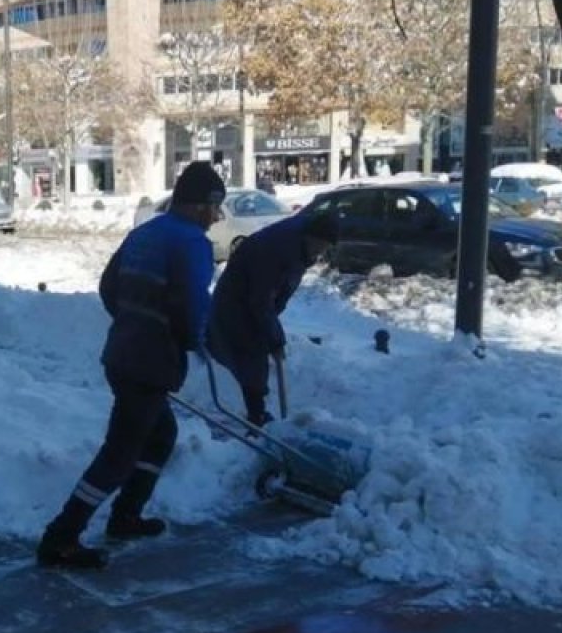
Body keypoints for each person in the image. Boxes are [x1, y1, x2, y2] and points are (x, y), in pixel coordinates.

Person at [37, 162, 226, 570]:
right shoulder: (192, 242)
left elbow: (109, 287)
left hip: (123, 353)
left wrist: (133, 319)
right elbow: (196, 306)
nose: (216, 218)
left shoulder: (145, 232)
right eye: (215, 208)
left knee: (160, 436)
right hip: (149, 363)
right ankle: (61, 536)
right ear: (200, 206)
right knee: (119, 453)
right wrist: (197, 341)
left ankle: (126, 516)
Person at [206, 212, 338, 427]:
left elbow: (275, 295)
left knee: (254, 353)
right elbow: (260, 300)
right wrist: (275, 338)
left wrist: (271, 326)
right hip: (237, 305)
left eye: (325, 247)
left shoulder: (297, 247)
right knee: (252, 354)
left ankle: (257, 414)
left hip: (249, 303)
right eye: (318, 245)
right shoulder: (278, 251)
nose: (320, 252)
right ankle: (257, 418)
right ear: (308, 236)